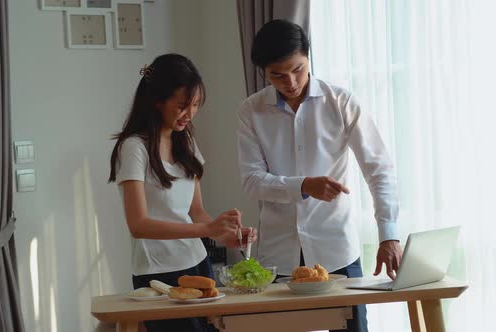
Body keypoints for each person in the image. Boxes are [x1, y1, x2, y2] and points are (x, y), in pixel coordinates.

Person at [236, 20, 401, 332]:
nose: (291, 81)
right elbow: (252, 181)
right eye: (278, 75)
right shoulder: (251, 111)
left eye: (297, 69)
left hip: (336, 249)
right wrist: (304, 186)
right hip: (279, 256)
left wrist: (388, 234)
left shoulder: (341, 103)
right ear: (263, 73)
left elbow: (378, 168)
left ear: (308, 56)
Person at [109, 53, 255, 332]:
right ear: (157, 101)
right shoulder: (134, 148)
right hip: (158, 272)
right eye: (182, 105)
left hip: (197, 263)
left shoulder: (185, 140)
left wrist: (225, 235)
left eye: (196, 105)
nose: (190, 113)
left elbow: (195, 212)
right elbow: (138, 225)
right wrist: (206, 228)